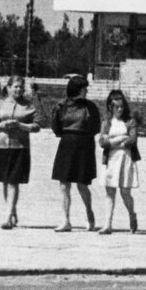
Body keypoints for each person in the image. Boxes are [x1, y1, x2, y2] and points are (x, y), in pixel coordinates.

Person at [50, 75, 102, 232]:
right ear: (76, 90)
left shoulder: (90, 107)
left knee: (82, 184)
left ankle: (89, 213)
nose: (86, 91)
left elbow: (96, 127)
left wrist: (82, 135)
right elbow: (56, 127)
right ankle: (66, 220)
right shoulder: (61, 106)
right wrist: (69, 135)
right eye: (84, 88)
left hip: (84, 145)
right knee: (64, 184)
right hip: (66, 144)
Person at [0, 75, 41, 230]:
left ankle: (7, 217)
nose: (18, 90)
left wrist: (20, 125)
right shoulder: (1, 103)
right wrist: (1, 125)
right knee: (5, 181)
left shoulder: (29, 105)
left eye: (21, 87)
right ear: (8, 88)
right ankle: (12, 212)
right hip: (2, 146)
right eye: (15, 87)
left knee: (13, 181)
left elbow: (37, 126)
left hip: (20, 147)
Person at [97, 90, 140, 235]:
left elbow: (132, 141)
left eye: (122, 106)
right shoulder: (106, 123)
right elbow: (102, 142)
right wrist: (121, 138)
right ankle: (107, 224)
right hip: (110, 160)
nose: (120, 109)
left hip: (125, 159)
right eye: (116, 107)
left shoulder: (130, 121)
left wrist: (112, 142)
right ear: (111, 107)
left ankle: (132, 214)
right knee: (109, 192)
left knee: (125, 192)